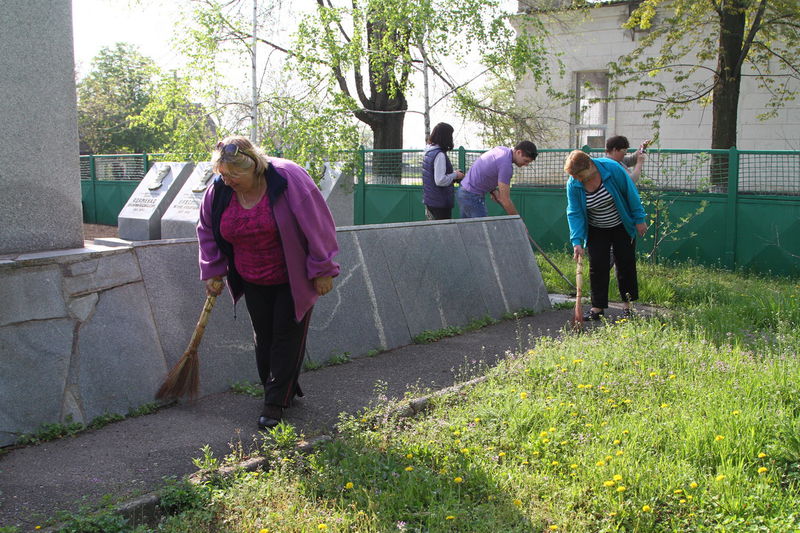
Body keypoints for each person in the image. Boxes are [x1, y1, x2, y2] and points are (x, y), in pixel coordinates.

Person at [197, 136, 340, 430]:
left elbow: (318, 224)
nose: (229, 181)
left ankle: (274, 403)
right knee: (265, 338)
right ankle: (281, 386)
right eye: (223, 175)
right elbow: (207, 229)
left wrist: (323, 268)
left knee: (286, 335)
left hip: (292, 273)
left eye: (235, 175)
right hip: (251, 275)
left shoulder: (288, 178)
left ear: (255, 166)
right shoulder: (220, 191)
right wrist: (213, 270)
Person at [564, 150, 647, 320]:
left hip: (621, 224)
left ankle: (628, 306)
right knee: (598, 266)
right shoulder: (574, 183)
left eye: (581, 175)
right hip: (596, 228)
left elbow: (630, 193)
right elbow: (575, 212)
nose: (579, 179)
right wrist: (577, 241)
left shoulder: (611, 168)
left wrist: (639, 219)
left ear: (590, 165)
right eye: (576, 177)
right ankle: (597, 307)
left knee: (625, 263)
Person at [457, 141, 538, 218]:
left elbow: (487, 169)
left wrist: (492, 190)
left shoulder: (501, 149)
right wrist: (519, 222)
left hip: (463, 191)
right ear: (518, 152)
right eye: (525, 161)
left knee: (467, 229)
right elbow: (505, 200)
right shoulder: (506, 166)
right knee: (482, 230)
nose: (526, 164)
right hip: (472, 196)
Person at [421, 122, 464, 220]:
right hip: (439, 203)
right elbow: (440, 180)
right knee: (443, 233)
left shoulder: (429, 152)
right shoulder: (439, 155)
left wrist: (453, 174)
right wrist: (455, 175)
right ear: (446, 136)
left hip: (431, 201)